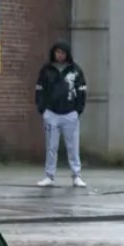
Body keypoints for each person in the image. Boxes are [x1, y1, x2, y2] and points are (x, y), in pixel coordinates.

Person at [35, 41, 88, 188]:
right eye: (57, 52)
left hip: (70, 114)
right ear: (54, 53)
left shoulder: (75, 70)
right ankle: (49, 176)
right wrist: (43, 110)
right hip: (51, 113)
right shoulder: (46, 70)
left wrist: (77, 111)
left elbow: (82, 91)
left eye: (63, 53)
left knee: (73, 147)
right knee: (51, 147)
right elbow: (39, 90)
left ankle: (76, 176)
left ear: (67, 54)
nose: (60, 55)